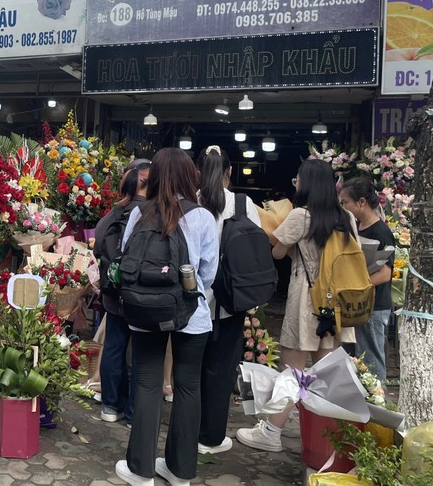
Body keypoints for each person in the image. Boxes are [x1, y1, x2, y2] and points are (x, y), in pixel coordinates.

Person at [236, 159, 358, 452]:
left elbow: (278, 252)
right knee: (327, 371)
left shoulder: (301, 216)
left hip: (307, 297)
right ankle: (333, 436)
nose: (296, 184)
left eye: (298, 180)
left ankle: (271, 431)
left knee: (292, 370)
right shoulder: (346, 218)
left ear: (308, 184)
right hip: (335, 302)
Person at [115, 148, 218, 486]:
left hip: (145, 309)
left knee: (146, 383)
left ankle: (141, 471)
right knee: (188, 387)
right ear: (191, 177)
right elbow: (209, 273)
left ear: (155, 177)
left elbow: (126, 260)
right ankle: (180, 472)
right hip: (192, 312)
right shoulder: (202, 216)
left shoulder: (139, 213)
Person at [195, 146, 262, 455]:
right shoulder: (242, 203)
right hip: (229, 302)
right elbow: (256, 252)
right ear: (230, 171)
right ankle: (211, 438)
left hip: (193, 300)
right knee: (221, 370)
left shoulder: (192, 201)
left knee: (191, 369)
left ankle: (187, 430)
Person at [93, 158, 150, 426]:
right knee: (140, 353)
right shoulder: (151, 213)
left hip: (113, 292)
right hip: (140, 294)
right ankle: (133, 412)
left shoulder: (113, 214)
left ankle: (110, 405)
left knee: (114, 347)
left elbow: (98, 245)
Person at [340, 177, 394, 382]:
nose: (343, 207)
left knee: (370, 358)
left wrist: (357, 285)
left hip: (374, 305)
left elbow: (385, 274)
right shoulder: (354, 227)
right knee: (351, 356)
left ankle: (376, 406)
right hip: (355, 303)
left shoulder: (381, 232)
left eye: (346, 203)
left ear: (361, 202)